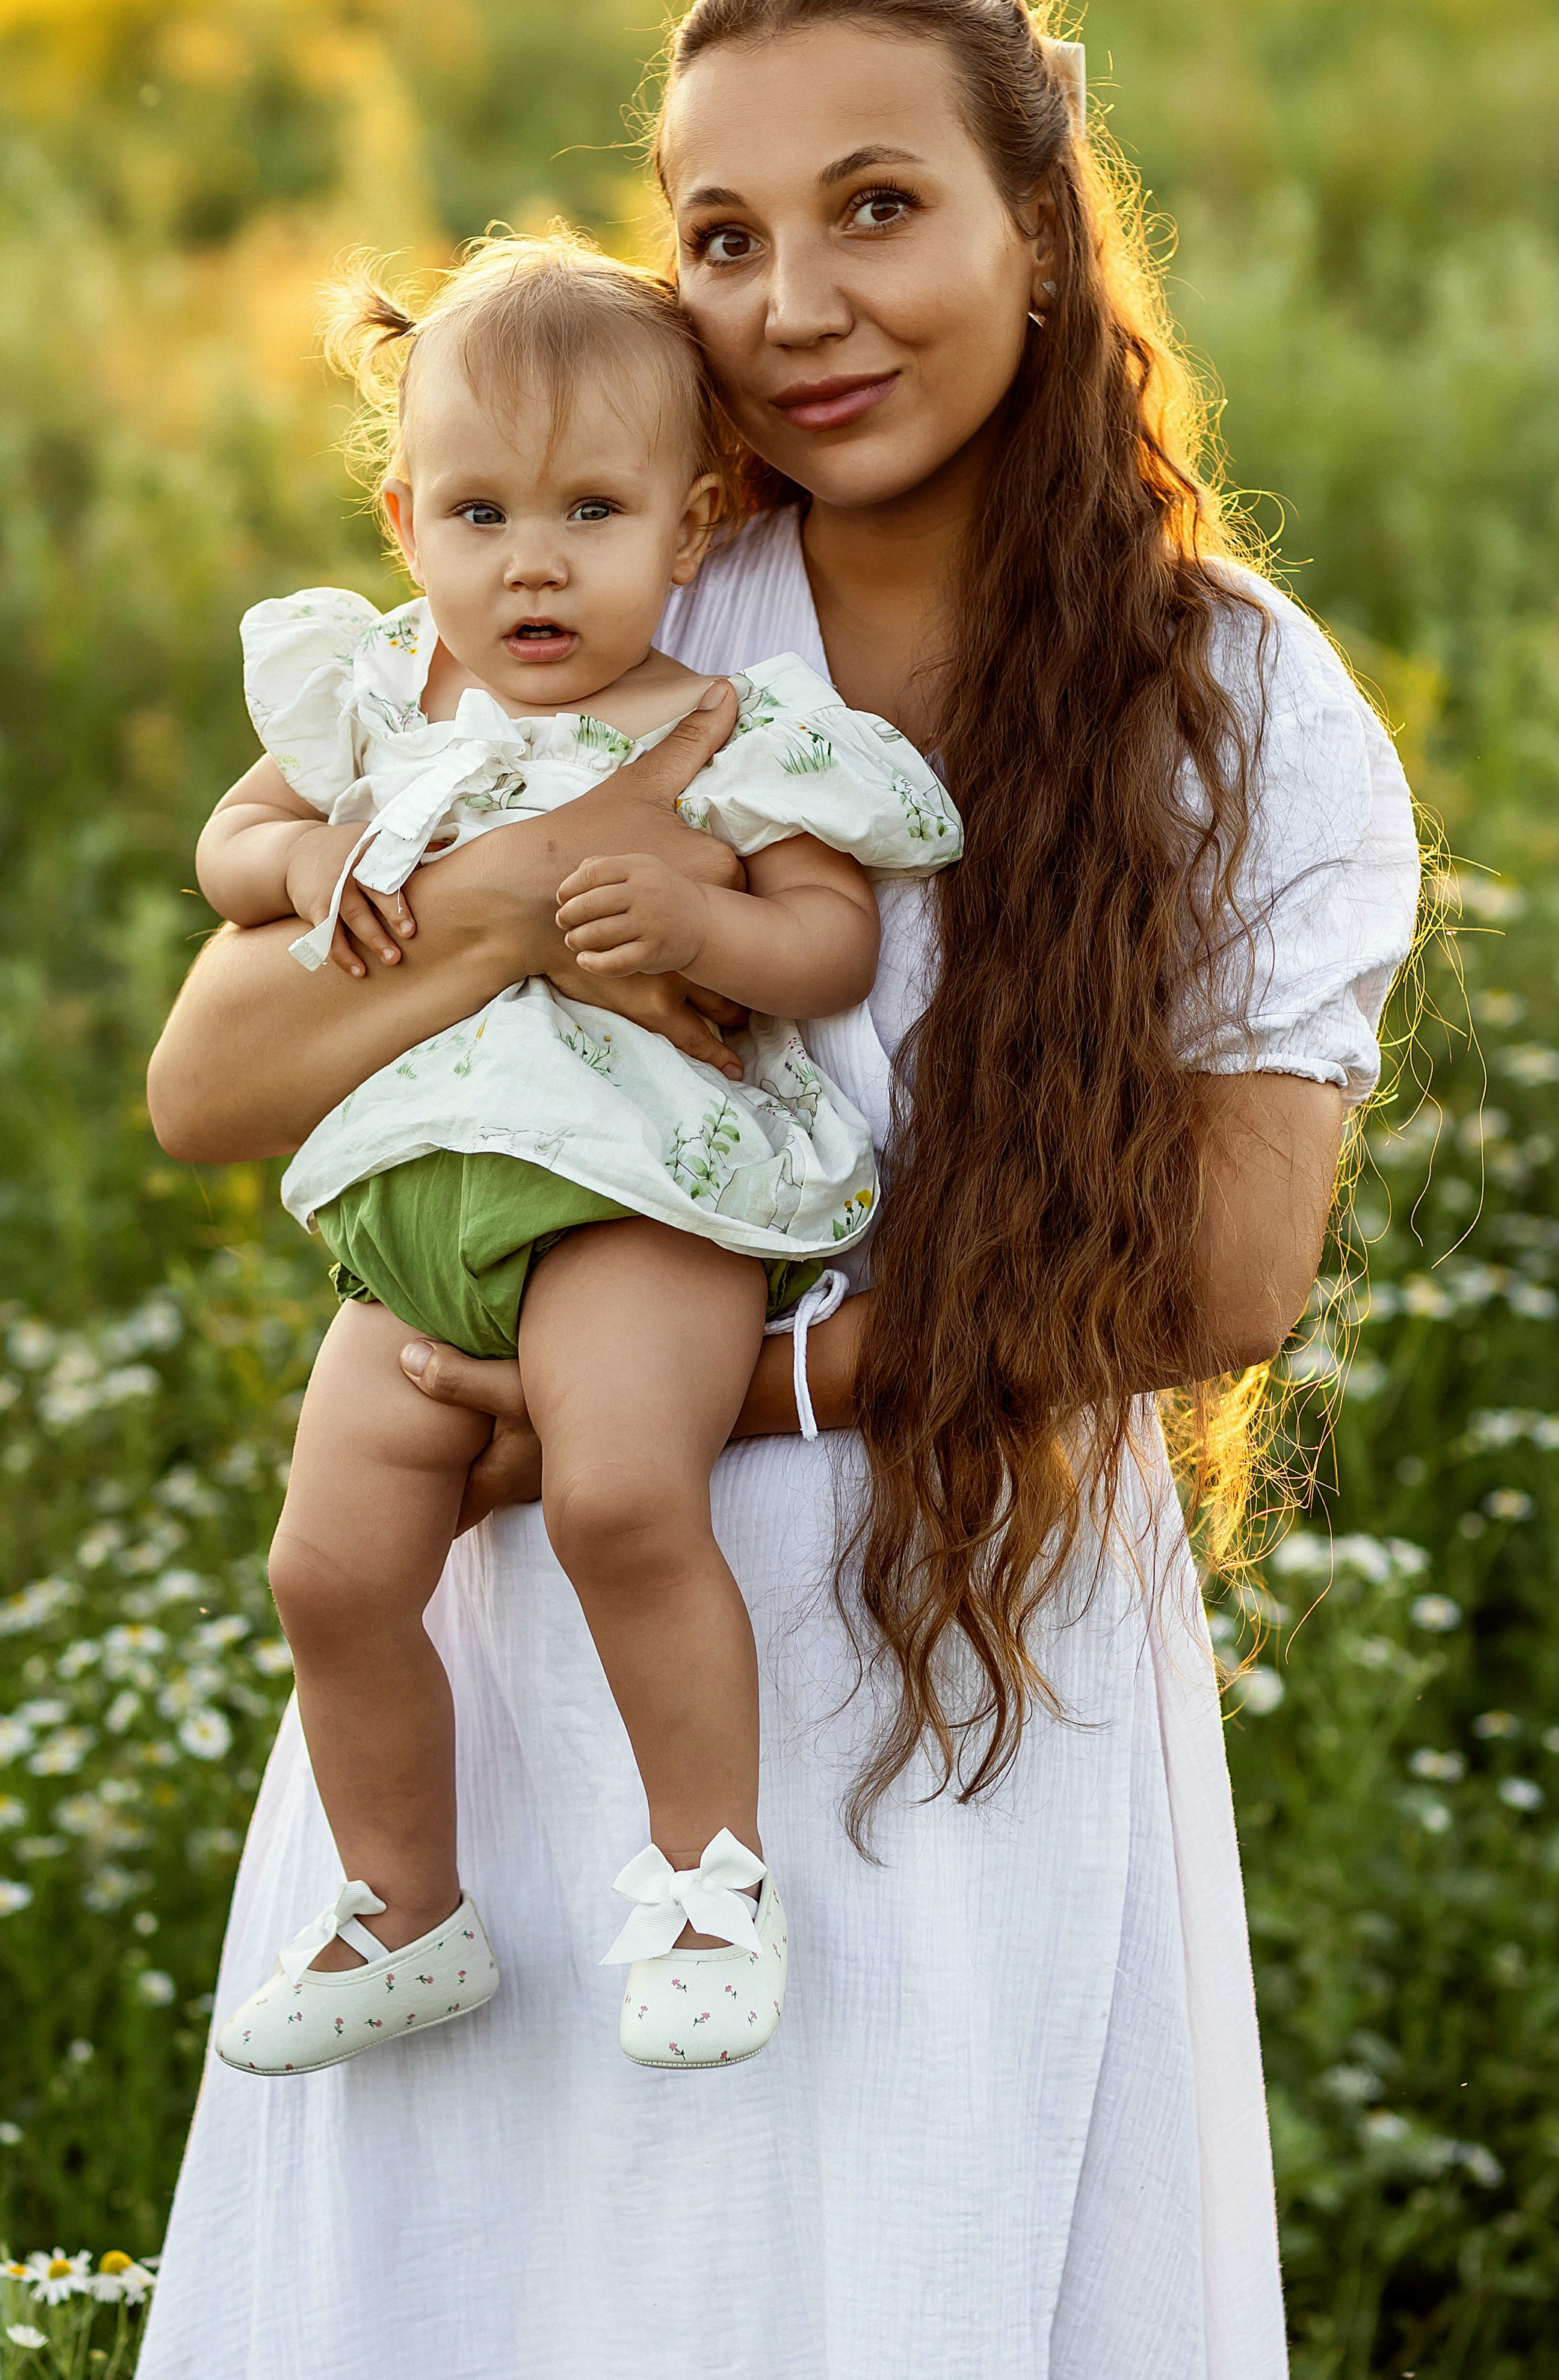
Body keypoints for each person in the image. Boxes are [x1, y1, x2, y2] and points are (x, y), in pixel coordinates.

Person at [140, 0, 1419, 2380]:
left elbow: (1232, 1271)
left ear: (1036, 234)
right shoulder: (604, 587)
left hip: (952, 1642)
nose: (796, 303)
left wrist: (731, 1393)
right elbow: (216, 1077)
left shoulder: (1234, 694)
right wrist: (537, 880)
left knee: (896, 2293)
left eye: (876, 209)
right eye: (720, 237)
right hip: (528, 1657)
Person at [194, 233, 958, 2077]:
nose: (528, 565)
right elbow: (228, 848)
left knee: (620, 1495)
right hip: (419, 1215)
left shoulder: (729, 726)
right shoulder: (382, 700)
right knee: (326, 1569)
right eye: (478, 514)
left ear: (689, 530)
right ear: (405, 523)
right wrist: (302, 860)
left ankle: (707, 1878)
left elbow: (828, 944)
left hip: (642, 1198)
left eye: (589, 514)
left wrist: (703, 931)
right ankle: (405, 1906)